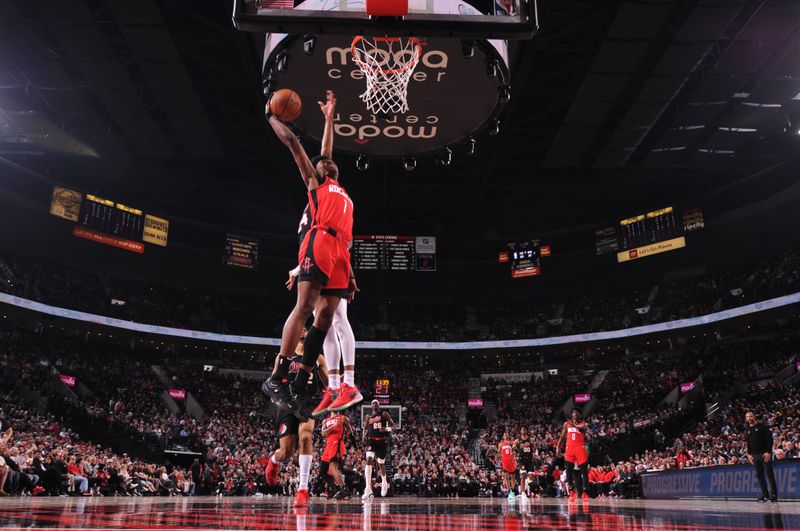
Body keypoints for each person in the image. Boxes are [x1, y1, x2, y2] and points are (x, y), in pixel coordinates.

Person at [263, 89, 360, 415]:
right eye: (322, 163)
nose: (327, 161)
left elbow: (326, 150)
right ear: (317, 172)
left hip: (339, 252)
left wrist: (330, 119)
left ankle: (302, 377)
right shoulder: (315, 184)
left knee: (327, 315)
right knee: (304, 307)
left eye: (330, 162)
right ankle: (278, 373)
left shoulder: (340, 190)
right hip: (319, 241)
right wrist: (273, 118)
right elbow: (294, 144)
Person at [285, 203, 362, 418]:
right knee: (324, 325)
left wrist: (351, 276)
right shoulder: (312, 210)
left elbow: (338, 243)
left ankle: (349, 383)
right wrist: (299, 269)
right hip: (319, 264)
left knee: (338, 320)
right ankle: (335, 385)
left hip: (334, 261)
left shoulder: (330, 204)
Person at [264, 329, 329, 507]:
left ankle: (302, 489)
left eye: (306, 328)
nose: (302, 329)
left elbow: (329, 383)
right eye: (299, 326)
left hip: (308, 402)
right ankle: (274, 459)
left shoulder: (318, 357)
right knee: (286, 452)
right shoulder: (284, 356)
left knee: (306, 437)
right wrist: (274, 396)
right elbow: (273, 381)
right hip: (287, 404)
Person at [362, 400, 394, 499]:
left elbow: (393, 426)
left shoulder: (384, 414)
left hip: (382, 441)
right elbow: (365, 427)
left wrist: (386, 429)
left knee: (381, 463)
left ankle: (384, 482)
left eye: (376, 403)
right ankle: (367, 488)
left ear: (379, 405)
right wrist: (364, 435)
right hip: (371, 440)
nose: (375, 404)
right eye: (373, 403)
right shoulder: (368, 416)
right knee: (369, 460)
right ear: (371, 406)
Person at [557, 408, 590, 501]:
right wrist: (558, 448)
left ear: (580, 414)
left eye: (576, 412)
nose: (574, 414)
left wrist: (578, 427)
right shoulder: (567, 424)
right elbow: (563, 436)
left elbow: (584, 429)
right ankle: (571, 491)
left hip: (580, 448)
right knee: (568, 470)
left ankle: (585, 492)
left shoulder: (584, 423)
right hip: (569, 448)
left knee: (584, 471)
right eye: (573, 412)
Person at [744, 411, 777, 502]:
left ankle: (773, 495)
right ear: (746, 418)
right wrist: (749, 454)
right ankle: (765, 495)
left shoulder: (762, 427)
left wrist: (768, 452)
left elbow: (770, 440)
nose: (749, 418)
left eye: (751, 416)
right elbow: (748, 443)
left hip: (764, 454)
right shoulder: (747, 429)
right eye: (747, 417)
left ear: (754, 417)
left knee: (769, 474)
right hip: (754, 456)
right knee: (760, 476)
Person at [320, 410, 353, 500]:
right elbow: (323, 433)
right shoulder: (325, 420)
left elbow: (350, 432)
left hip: (337, 443)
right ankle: (334, 487)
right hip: (328, 446)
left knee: (333, 468)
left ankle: (344, 489)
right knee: (322, 471)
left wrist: (356, 447)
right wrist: (332, 427)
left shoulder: (343, 418)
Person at [498, 432, 517, 500]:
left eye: (506, 435)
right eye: (504, 435)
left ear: (508, 436)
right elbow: (498, 453)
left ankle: (514, 491)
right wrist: (500, 457)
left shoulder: (511, 443)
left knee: (513, 477)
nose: (505, 436)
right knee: (506, 476)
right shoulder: (500, 444)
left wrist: (514, 455)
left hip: (511, 461)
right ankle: (510, 492)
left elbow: (514, 450)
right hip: (505, 461)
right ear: (503, 436)